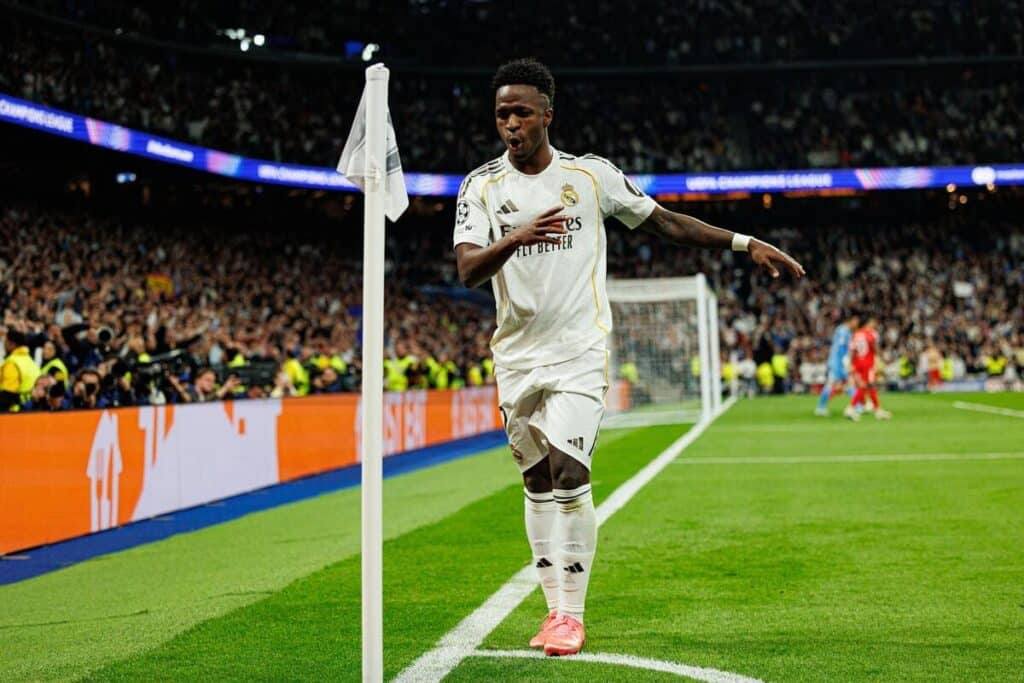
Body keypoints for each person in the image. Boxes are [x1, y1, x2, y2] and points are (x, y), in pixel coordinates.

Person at [453, 58, 804, 657]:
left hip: (580, 350)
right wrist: (514, 237)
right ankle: (551, 609)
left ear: (547, 116)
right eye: (501, 114)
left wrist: (744, 242)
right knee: (535, 479)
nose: (509, 123)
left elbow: (665, 222)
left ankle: (571, 616)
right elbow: (466, 269)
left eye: (521, 112)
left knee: (570, 471)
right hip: (515, 355)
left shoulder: (590, 177)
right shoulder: (481, 186)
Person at [845, 316, 892, 421]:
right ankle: (850, 408)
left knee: (870, 386)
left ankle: (878, 410)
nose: (875, 325)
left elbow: (852, 351)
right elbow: (873, 346)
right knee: (865, 385)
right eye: (873, 322)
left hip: (857, 363)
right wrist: (881, 357)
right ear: (869, 322)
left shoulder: (855, 334)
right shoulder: (871, 333)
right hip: (868, 363)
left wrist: (851, 364)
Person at [815, 310, 859, 416]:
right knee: (831, 385)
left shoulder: (845, 331)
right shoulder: (843, 331)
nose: (857, 324)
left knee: (850, 383)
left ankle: (857, 406)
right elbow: (841, 347)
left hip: (839, 362)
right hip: (837, 363)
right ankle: (820, 407)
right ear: (851, 320)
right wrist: (846, 361)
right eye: (856, 321)